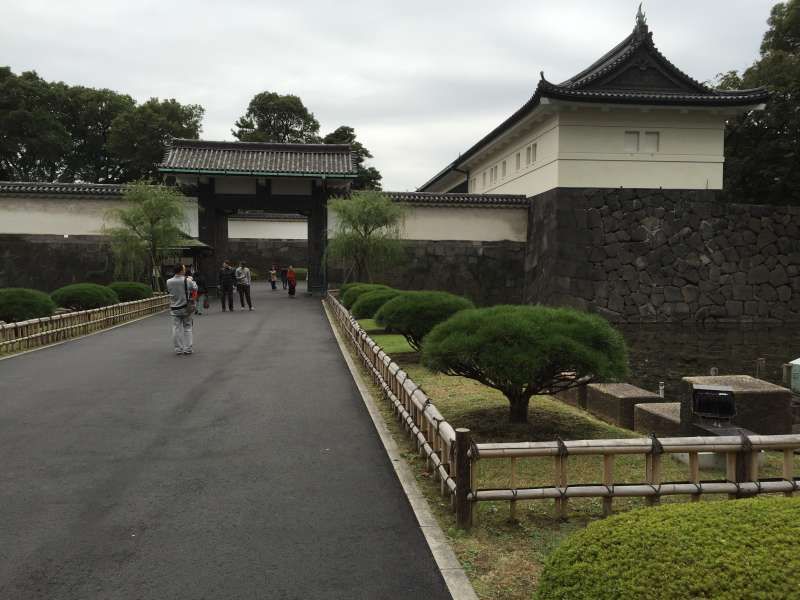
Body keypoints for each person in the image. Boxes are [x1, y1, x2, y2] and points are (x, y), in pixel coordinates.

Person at [166, 264, 197, 355]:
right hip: (185, 308)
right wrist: (191, 280)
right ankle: (188, 349)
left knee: (176, 328)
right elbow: (195, 288)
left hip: (174, 307)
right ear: (181, 271)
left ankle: (178, 349)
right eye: (184, 269)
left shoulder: (168, 281)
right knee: (187, 328)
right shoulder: (187, 280)